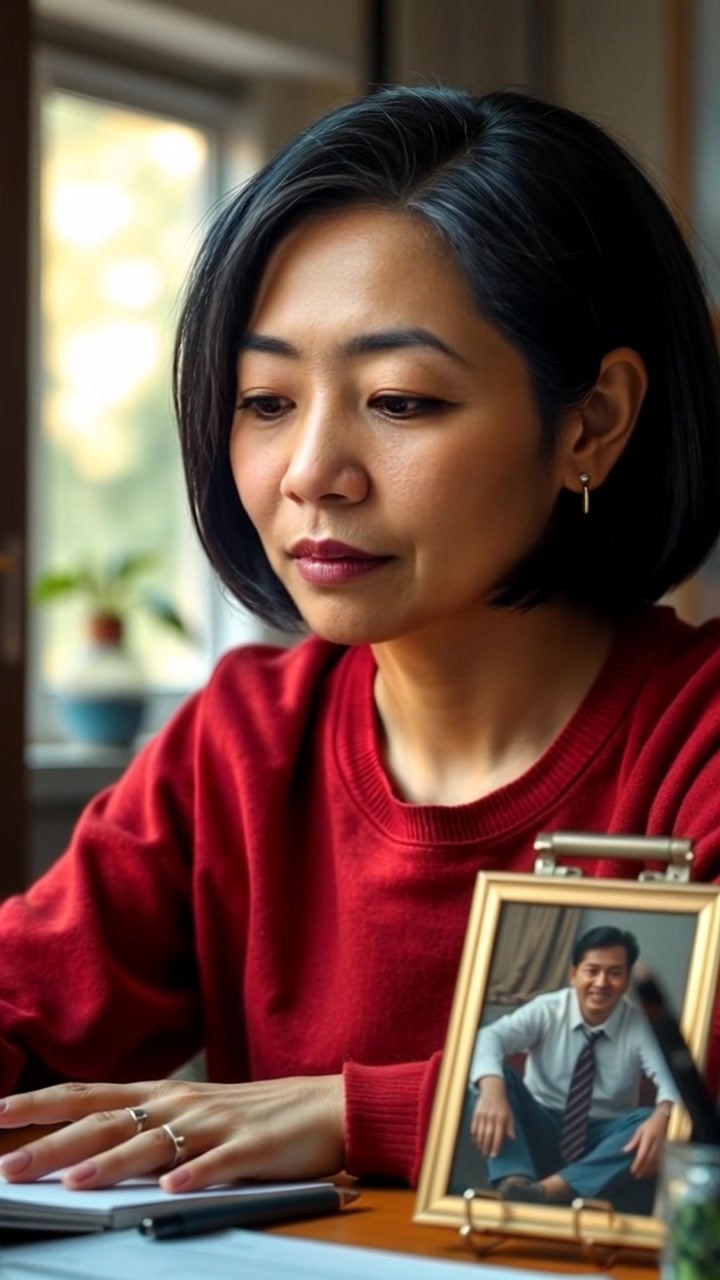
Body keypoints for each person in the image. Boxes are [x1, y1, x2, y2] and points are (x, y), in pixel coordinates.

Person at [0, 84, 720, 1196]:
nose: (310, 474)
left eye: (399, 400)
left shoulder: (694, 740)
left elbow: (680, 1100)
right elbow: (27, 1004)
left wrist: (348, 1110)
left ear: (593, 421)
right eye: (266, 400)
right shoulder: (244, 741)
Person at [469, 926, 679, 1207]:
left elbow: (671, 1080)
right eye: (592, 971)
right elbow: (490, 1036)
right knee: (494, 1079)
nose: (601, 982)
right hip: (540, 1123)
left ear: (627, 980)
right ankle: (515, 1179)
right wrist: (492, 1090)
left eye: (615, 973)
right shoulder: (548, 1009)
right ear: (573, 974)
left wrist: (662, 1115)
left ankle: (546, 1191)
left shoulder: (640, 1024)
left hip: (604, 1139)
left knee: (649, 1118)